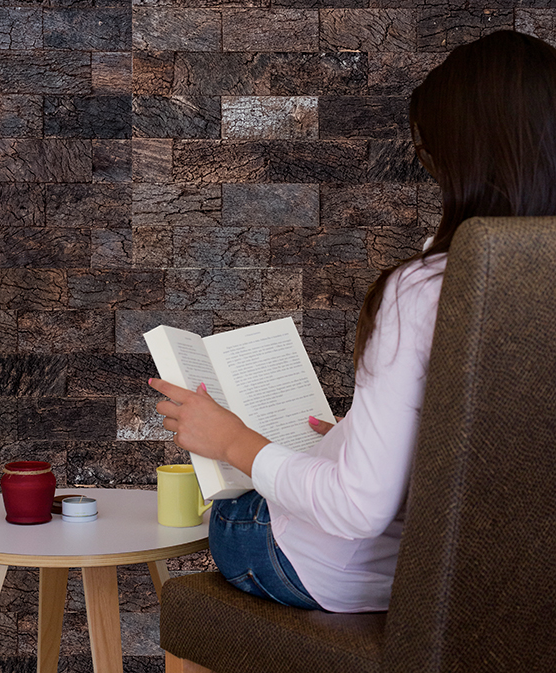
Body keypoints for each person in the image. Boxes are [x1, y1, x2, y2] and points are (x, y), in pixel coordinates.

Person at [148, 30, 556, 612]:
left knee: (232, 510)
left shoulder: (424, 290)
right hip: (498, 590)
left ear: (468, 158)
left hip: (349, 575)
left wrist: (232, 439)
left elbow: (358, 509)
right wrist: (362, 437)